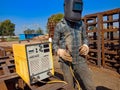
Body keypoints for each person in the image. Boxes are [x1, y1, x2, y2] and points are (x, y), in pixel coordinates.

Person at [52, 0, 96, 90]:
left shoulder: (81, 24)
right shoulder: (60, 25)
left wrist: (86, 45)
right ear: (67, 7)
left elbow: (85, 38)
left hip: (80, 59)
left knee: (89, 84)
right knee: (70, 85)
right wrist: (59, 51)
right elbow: (54, 43)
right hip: (65, 62)